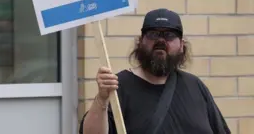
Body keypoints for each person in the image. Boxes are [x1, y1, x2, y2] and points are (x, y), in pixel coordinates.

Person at [79, 8, 231, 134]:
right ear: (141, 41)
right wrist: (102, 99)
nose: (161, 41)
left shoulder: (195, 86)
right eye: (153, 34)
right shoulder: (118, 86)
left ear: (182, 45)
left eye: (169, 35)